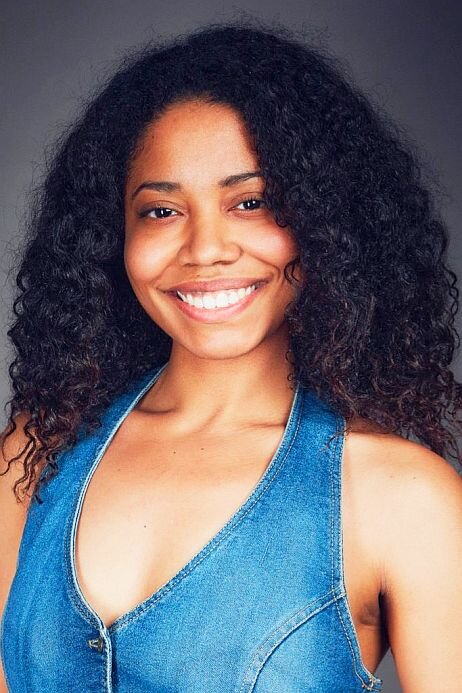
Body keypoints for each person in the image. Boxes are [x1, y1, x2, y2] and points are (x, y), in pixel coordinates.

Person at [1, 21, 461, 693]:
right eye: (161, 211)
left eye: (251, 202)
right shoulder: (37, 451)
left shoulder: (402, 497)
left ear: (326, 222)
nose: (205, 249)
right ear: (111, 234)